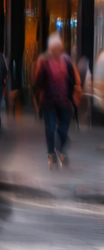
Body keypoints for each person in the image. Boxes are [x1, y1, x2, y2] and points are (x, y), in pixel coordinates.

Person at [33, 32, 80, 168]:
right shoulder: (44, 61)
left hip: (65, 100)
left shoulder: (67, 59)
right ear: (51, 49)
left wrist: (74, 92)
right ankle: (51, 154)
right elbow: (38, 81)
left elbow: (72, 77)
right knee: (50, 128)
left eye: (59, 48)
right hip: (49, 101)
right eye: (55, 48)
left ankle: (59, 148)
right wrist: (38, 97)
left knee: (63, 129)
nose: (57, 50)